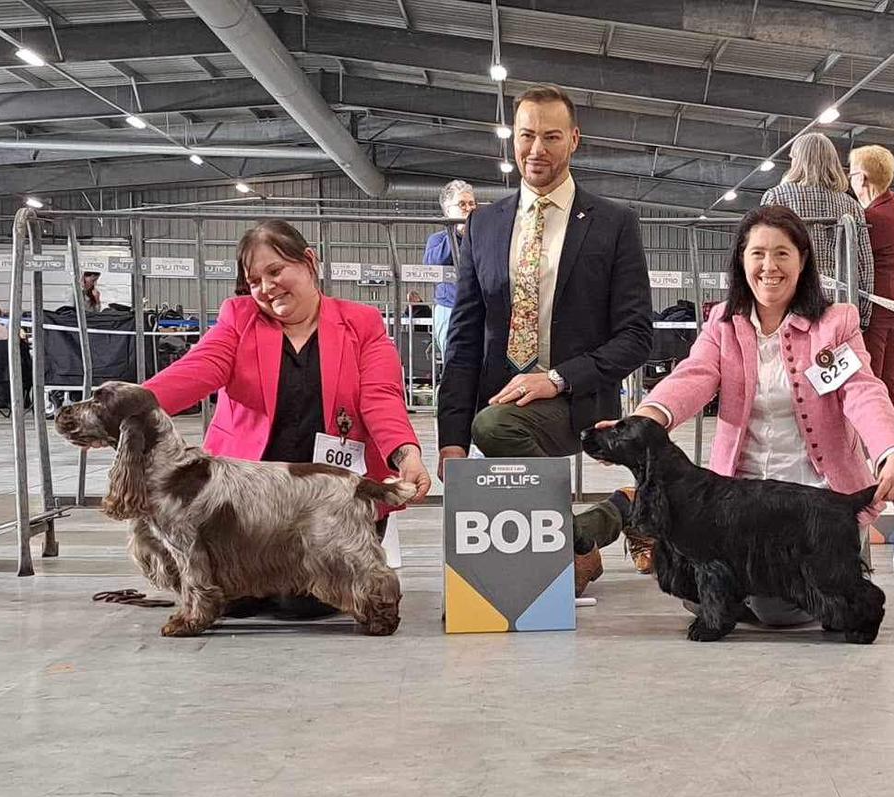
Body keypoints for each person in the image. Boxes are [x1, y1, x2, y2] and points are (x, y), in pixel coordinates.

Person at [620, 205, 894, 626]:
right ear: (742, 260)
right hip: (740, 505)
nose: (769, 266)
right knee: (690, 581)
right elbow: (694, 375)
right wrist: (645, 421)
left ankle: (836, 564)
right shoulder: (723, 322)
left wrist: (892, 451)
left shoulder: (835, 323)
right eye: (757, 253)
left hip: (818, 501)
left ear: (802, 260)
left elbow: (862, 391)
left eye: (781, 254)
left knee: (779, 611)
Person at [144, 219, 431, 619]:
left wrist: (405, 454)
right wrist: (129, 405)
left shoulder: (361, 323)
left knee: (303, 606)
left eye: (276, 270)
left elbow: (381, 397)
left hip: (329, 504)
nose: (266, 287)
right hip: (244, 511)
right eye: (254, 281)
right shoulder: (238, 317)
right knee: (233, 604)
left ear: (309, 262)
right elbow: (197, 369)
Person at [436, 84, 654, 594]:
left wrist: (555, 380)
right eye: (526, 135)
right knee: (543, 582)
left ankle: (581, 536)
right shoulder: (482, 225)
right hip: (499, 396)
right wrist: (450, 439)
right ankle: (607, 519)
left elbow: (636, 335)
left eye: (551, 137)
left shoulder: (614, 224)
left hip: (574, 400)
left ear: (574, 139)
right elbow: (464, 340)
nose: (537, 149)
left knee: (494, 426)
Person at [761, 133, 874, 318]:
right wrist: (863, 315)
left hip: (792, 302)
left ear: (798, 161)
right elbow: (864, 264)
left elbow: (765, 255)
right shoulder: (852, 206)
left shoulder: (776, 198)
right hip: (840, 303)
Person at [848, 144, 894, 427]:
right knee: (888, 382)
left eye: (851, 174)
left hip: (879, 309)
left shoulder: (872, 218)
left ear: (862, 178)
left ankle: (873, 444)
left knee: (870, 383)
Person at [408, 179, 477, 363]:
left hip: (478, 306)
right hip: (449, 308)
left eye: (471, 203)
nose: (468, 208)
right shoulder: (438, 239)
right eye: (462, 204)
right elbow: (432, 264)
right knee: (454, 361)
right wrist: (456, 233)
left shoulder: (481, 237)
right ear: (447, 210)